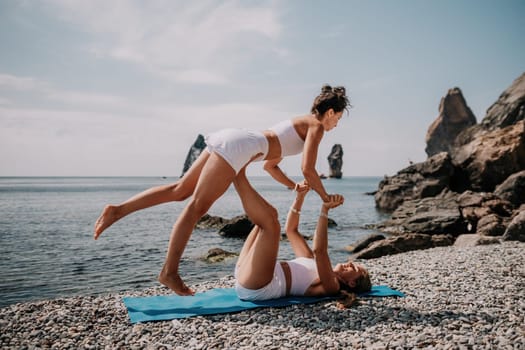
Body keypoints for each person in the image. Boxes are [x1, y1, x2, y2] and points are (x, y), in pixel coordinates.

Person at [94, 85, 351, 295]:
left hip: (236, 140)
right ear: (329, 112)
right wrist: (325, 197)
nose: (335, 125)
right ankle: (169, 272)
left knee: (181, 189)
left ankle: (118, 210)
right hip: (239, 148)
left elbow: (270, 167)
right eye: (337, 119)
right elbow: (308, 168)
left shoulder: (301, 123)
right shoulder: (316, 127)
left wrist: (293, 186)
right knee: (196, 206)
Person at [233, 165, 371, 301]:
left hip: (259, 287)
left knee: (270, 224)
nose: (350, 263)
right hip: (246, 272)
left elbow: (320, 250)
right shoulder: (310, 259)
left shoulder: (332, 285)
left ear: (352, 282)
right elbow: (291, 230)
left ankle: (235, 169)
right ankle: (234, 168)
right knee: (269, 215)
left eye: (354, 268)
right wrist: (300, 197)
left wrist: (325, 210)